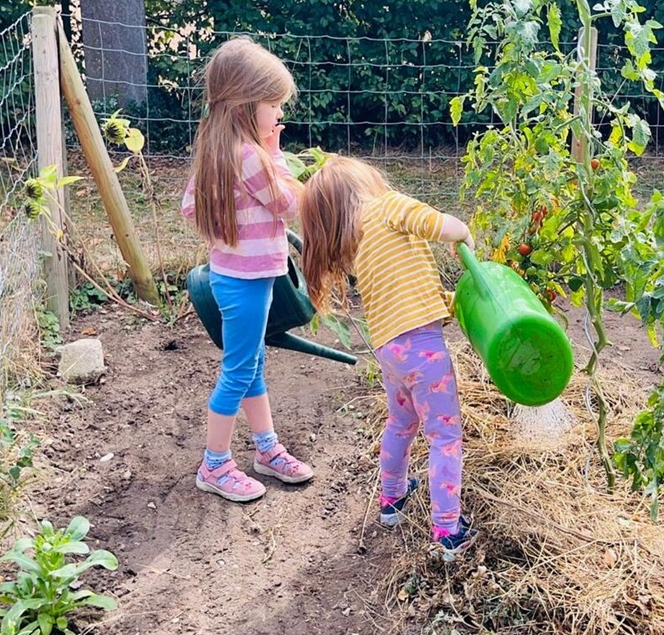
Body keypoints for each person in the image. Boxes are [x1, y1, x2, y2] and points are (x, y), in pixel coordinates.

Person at [299, 156, 477, 560]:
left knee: (401, 422)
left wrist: (447, 304)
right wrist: (463, 234)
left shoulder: (358, 241)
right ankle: (448, 531)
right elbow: (441, 225)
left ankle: (392, 499)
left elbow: (408, 292)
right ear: (364, 184)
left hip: (390, 353)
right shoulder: (388, 207)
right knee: (445, 437)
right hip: (422, 350)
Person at [181, 36, 313, 503]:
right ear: (245, 104)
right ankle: (215, 464)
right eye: (273, 105)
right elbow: (291, 204)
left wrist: (229, 224)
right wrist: (276, 155)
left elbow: (190, 207)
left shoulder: (217, 148)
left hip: (231, 275)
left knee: (251, 366)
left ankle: (266, 448)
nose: (279, 114)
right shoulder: (253, 156)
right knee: (238, 372)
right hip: (249, 281)